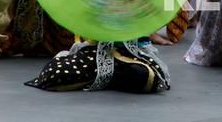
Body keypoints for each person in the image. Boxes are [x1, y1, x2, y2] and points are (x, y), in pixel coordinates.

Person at [25, 37, 170, 93]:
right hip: (94, 51)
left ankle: (110, 76)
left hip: (130, 54)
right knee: (55, 74)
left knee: (144, 76)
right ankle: (109, 77)